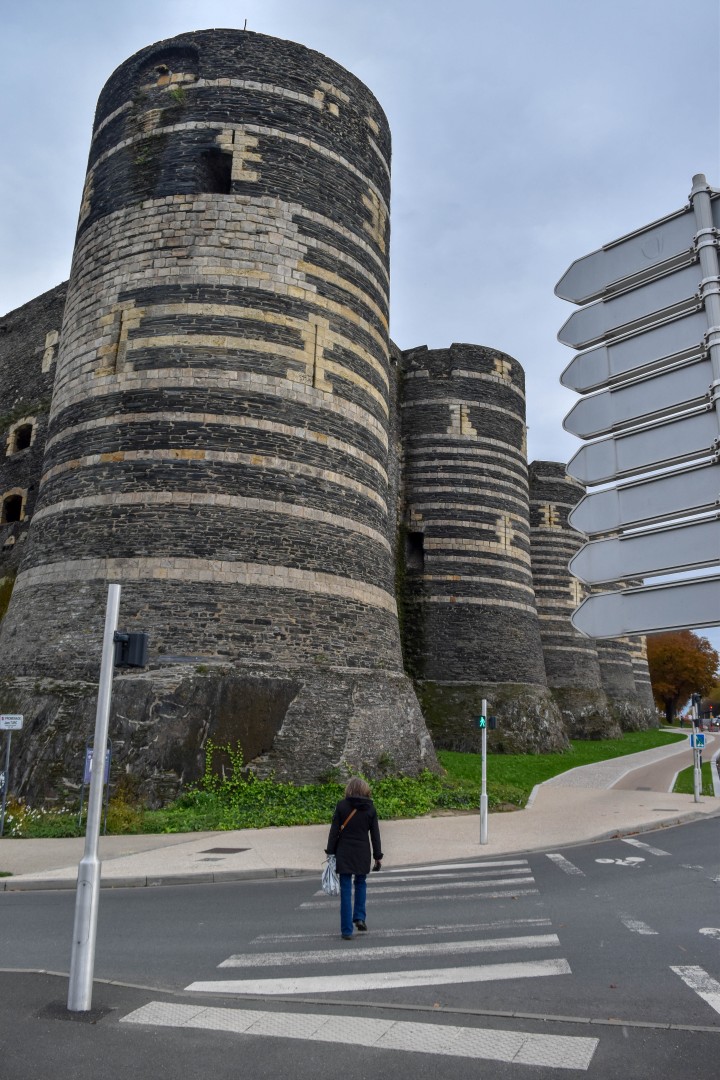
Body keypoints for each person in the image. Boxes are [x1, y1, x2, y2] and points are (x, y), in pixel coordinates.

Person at [326, 777, 383, 940]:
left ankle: (346, 930)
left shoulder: (342, 806)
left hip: (344, 852)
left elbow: (334, 831)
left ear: (349, 789)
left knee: (345, 889)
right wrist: (377, 856)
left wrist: (330, 851)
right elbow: (375, 835)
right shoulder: (370, 808)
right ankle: (359, 916)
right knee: (360, 883)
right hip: (362, 852)